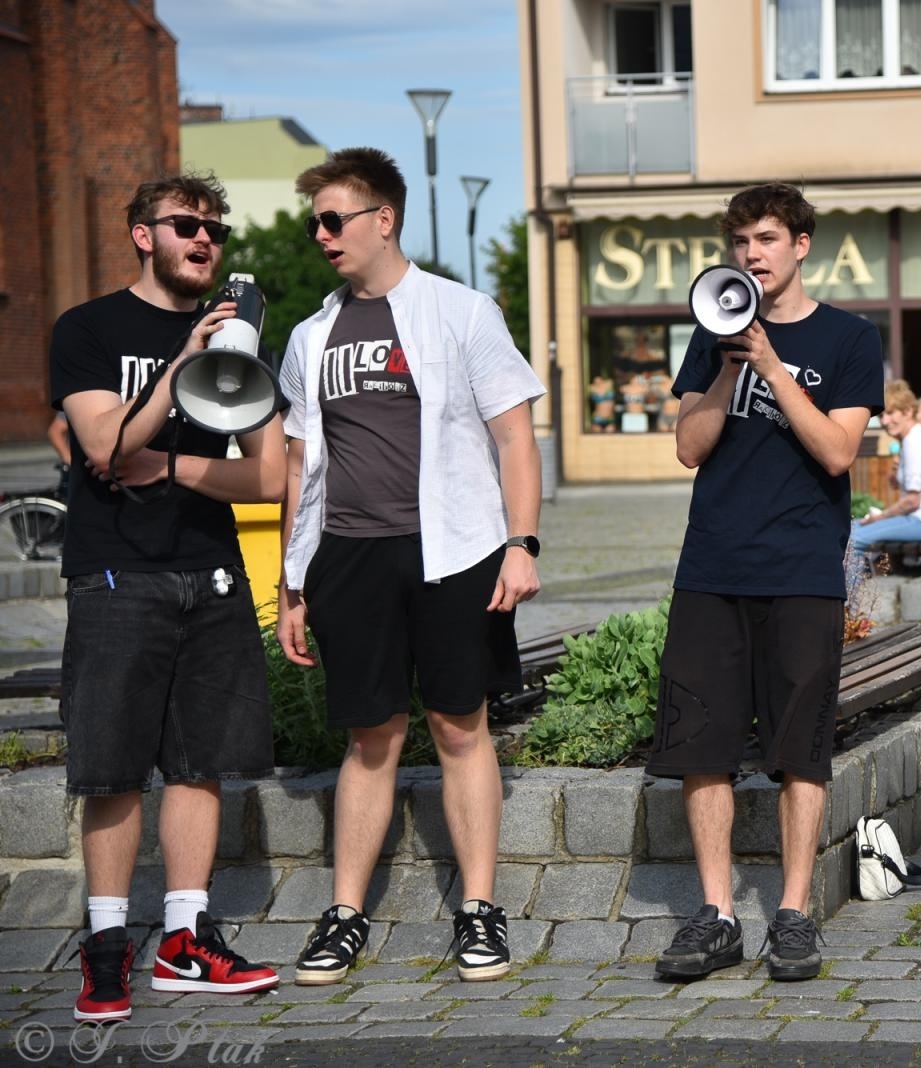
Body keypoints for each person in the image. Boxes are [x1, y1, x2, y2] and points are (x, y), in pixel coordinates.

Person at [276, 148, 545, 985]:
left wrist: (522, 543)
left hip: (454, 550)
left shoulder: (462, 311)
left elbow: (514, 437)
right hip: (348, 556)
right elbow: (298, 466)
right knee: (370, 736)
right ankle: (344, 915)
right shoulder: (310, 336)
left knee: (460, 726)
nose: (323, 236)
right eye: (315, 224)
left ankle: (480, 910)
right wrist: (291, 582)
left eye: (334, 220)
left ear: (383, 219)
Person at [50, 173, 285, 1022]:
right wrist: (182, 363)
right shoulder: (88, 329)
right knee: (113, 769)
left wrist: (179, 466)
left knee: (199, 763)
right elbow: (105, 448)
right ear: (143, 234)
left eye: (215, 229)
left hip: (211, 570)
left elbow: (269, 477)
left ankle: (186, 941)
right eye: (187, 225)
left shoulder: (239, 339)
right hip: (118, 573)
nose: (204, 240)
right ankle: (107, 948)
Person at [648, 182, 883, 983]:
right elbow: (689, 447)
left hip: (802, 568)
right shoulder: (709, 333)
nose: (752, 254)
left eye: (768, 239)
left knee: (800, 748)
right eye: (741, 242)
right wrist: (726, 366)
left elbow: (838, 452)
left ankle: (792, 912)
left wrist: (774, 366)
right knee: (702, 746)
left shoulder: (850, 338)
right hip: (713, 565)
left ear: (801, 244)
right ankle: (716, 915)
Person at [852, 380, 921, 552]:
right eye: (881, 416)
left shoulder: (915, 442)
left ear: (908, 411)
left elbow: (912, 501)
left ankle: (852, 571)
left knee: (855, 539)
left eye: (890, 413)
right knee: (848, 528)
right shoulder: (913, 438)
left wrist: (880, 517)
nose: (884, 421)